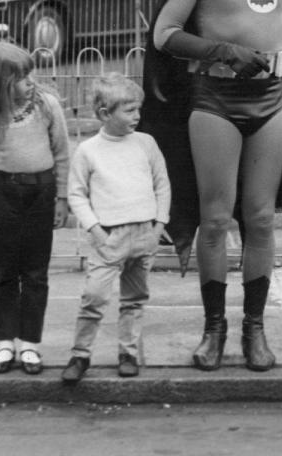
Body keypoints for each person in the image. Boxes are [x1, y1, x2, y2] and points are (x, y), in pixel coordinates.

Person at [148, 0, 282, 372]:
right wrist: (223, 50)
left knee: (260, 218)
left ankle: (254, 329)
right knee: (215, 218)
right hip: (215, 100)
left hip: (270, 102)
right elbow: (164, 33)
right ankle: (213, 329)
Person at [0, 41, 70, 375]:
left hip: (41, 192)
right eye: (22, 77)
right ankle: (5, 343)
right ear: (1, 82)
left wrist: (62, 198)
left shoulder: (46, 107)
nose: (31, 82)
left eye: (30, 75)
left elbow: (63, 154)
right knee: (5, 271)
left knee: (36, 271)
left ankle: (29, 344)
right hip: (1, 194)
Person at [61, 73, 170, 383]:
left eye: (138, 110)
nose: (137, 116)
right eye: (129, 110)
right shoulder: (89, 150)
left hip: (143, 233)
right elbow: (76, 194)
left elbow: (162, 184)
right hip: (109, 237)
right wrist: (96, 231)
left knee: (134, 298)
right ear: (105, 113)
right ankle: (80, 355)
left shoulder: (146, 143)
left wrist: (159, 224)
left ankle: (128, 352)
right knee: (94, 297)